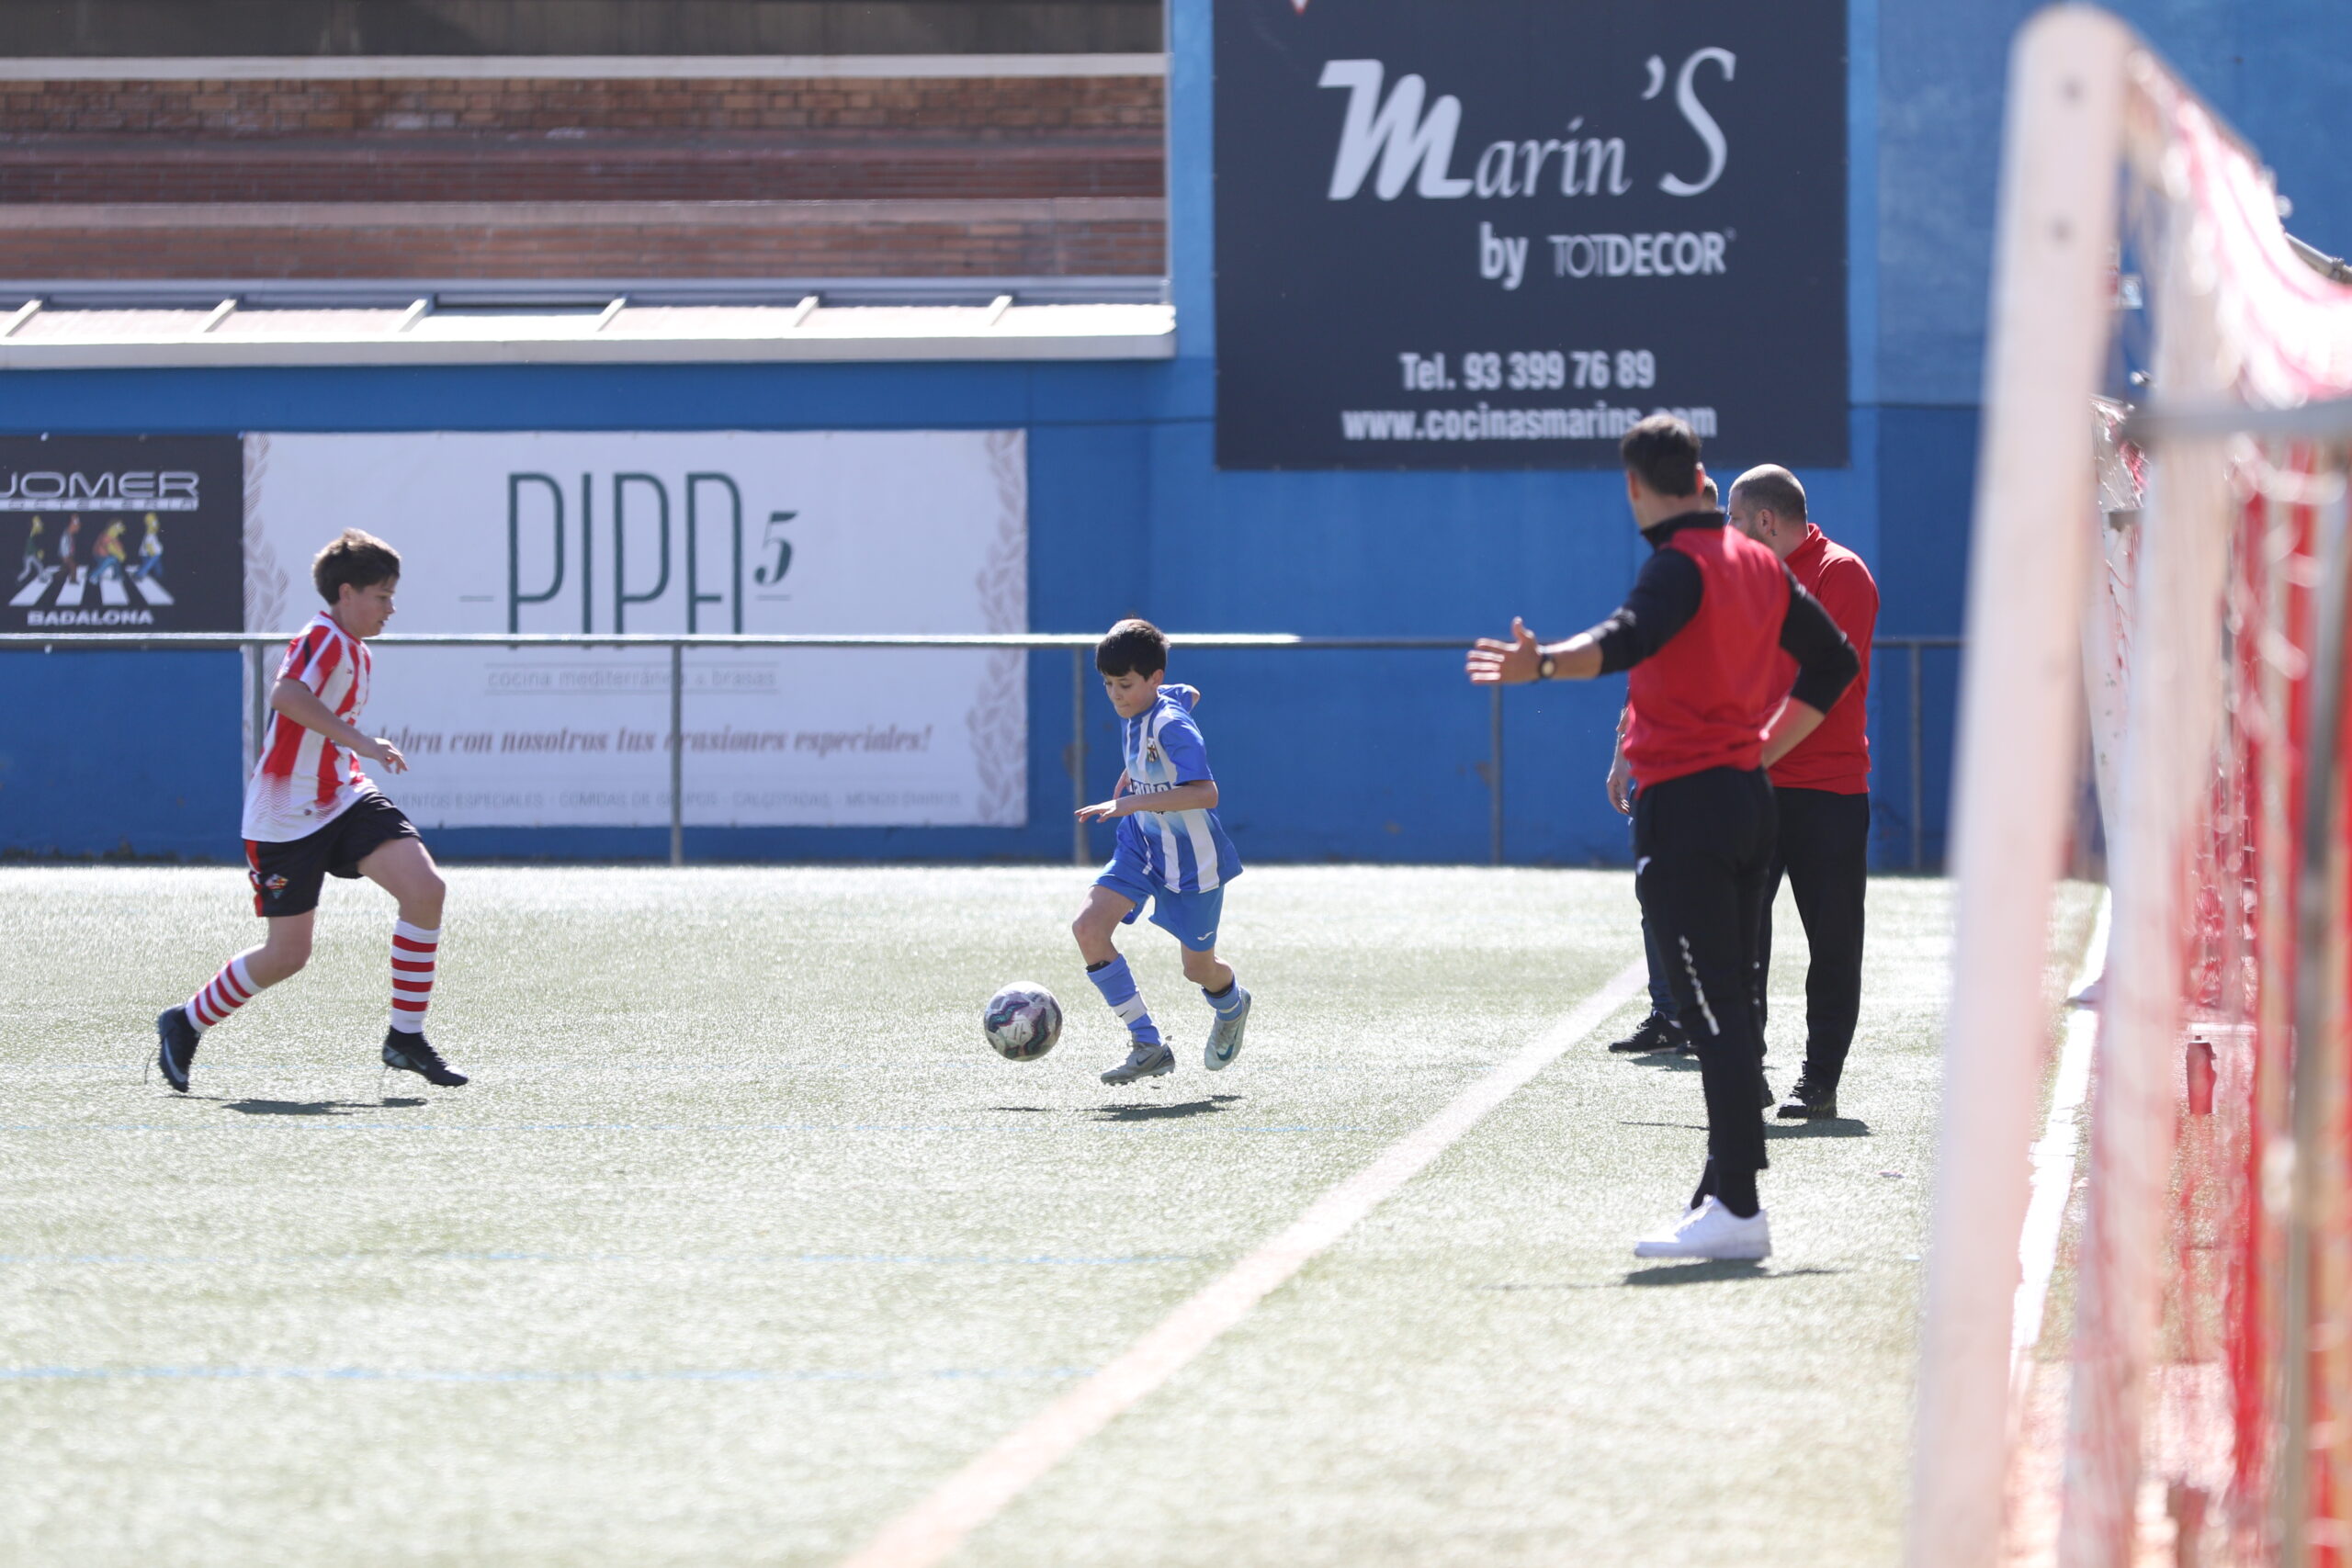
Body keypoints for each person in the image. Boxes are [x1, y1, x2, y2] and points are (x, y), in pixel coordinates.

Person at [1466, 416, 1857, 1261]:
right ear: (1700, 475)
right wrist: (1761, 747)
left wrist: (1542, 663)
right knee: (1730, 1001)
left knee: (1709, 1010)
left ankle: (1739, 1208)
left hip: (1689, 807)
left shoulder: (1680, 564)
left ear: (1635, 487)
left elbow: (1624, 639)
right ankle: (1721, 1189)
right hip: (1748, 799)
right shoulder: (1756, 560)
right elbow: (1833, 663)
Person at [154, 528, 467, 1093]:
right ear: (346, 593)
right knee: (287, 955)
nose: (390, 608)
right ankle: (186, 1020)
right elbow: (286, 696)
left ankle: (405, 1038)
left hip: (343, 795)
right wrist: (364, 742)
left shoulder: (357, 648)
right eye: (381, 596)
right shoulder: (322, 637)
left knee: (426, 890)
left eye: (392, 596)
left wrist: (356, 753)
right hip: (284, 814)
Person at [1726, 465, 1878, 1122]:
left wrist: (1743, 750)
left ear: (1765, 521)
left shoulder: (1842, 574)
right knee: (1736, 939)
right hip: (1754, 789)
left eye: (1734, 519)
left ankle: (1819, 1081)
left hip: (1826, 793)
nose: (1727, 531)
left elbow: (1825, 688)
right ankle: (1744, 1069)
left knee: (1833, 944)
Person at [1072, 618, 1252, 1086]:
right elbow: (1188, 692)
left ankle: (1232, 1006)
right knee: (1088, 928)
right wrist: (1134, 775)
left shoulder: (1172, 726)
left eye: (1125, 684)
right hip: (1140, 845)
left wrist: (1128, 801)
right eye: (1108, 684)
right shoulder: (1154, 698)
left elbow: (1206, 793)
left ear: (1153, 678)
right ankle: (1147, 1044)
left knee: (1198, 970)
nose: (1116, 695)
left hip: (1192, 861)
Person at [1604, 474, 1719, 1057]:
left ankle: (1718, 1023)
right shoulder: (1664, 576)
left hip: (1709, 772)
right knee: (1654, 894)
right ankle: (1670, 1014)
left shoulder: (1734, 581)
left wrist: (1546, 663)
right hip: (1655, 768)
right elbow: (1641, 674)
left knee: (1712, 900)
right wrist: (1622, 755)